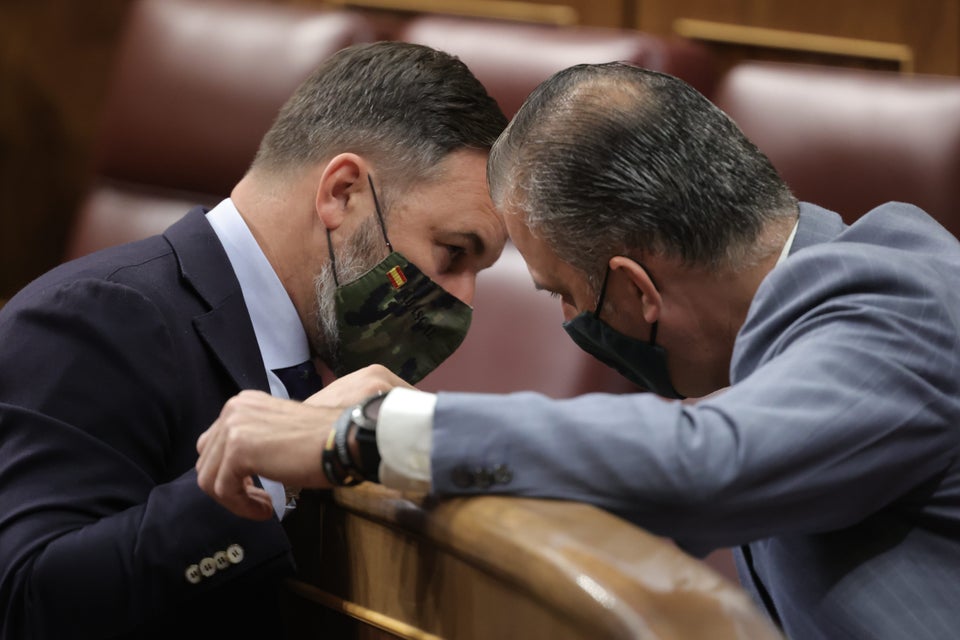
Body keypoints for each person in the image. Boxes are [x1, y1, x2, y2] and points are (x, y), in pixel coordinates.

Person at [197, 62, 960, 639]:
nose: (568, 319)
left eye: (562, 291)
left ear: (634, 290)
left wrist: (367, 435)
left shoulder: (904, 304)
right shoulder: (803, 324)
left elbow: (705, 465)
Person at [0, 41, 507, 639]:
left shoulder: (319, 353)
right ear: (341, 192)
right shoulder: (98, 315)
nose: (464, 298)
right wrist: (271, 469)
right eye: (452, 252)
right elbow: (27, 605)